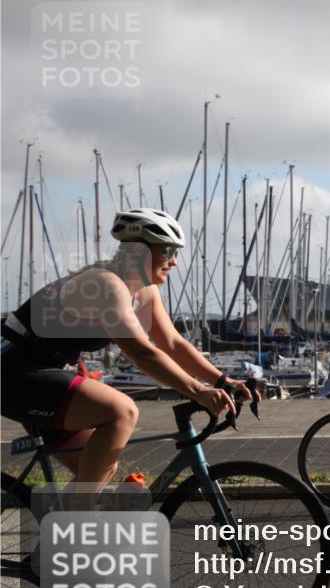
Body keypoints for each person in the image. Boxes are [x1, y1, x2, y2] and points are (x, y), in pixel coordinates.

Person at [1, 208, 259, 490]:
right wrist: (198, 391)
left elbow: (173, 343)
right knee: (121, 411)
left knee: (101, 466)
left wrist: (222, 381)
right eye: (168, 251)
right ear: (138, 252)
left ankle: (64, 516)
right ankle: (78, 515)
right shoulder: (105, 284)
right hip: (14, 370)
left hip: (44, 373)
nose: (174, 261)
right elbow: (141, 352)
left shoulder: (144, 291)